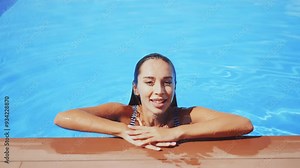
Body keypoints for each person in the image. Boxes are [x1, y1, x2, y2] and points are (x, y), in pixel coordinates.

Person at [54, 53, 253, 151]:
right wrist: (123, 131)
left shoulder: (185, 117)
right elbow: (63, 118)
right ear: (135, 88)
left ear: (175, 86)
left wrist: (174, 132)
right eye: (149, 82)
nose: (159, 91)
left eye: (167, 83)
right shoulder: (123, 114)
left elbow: (243, 124)